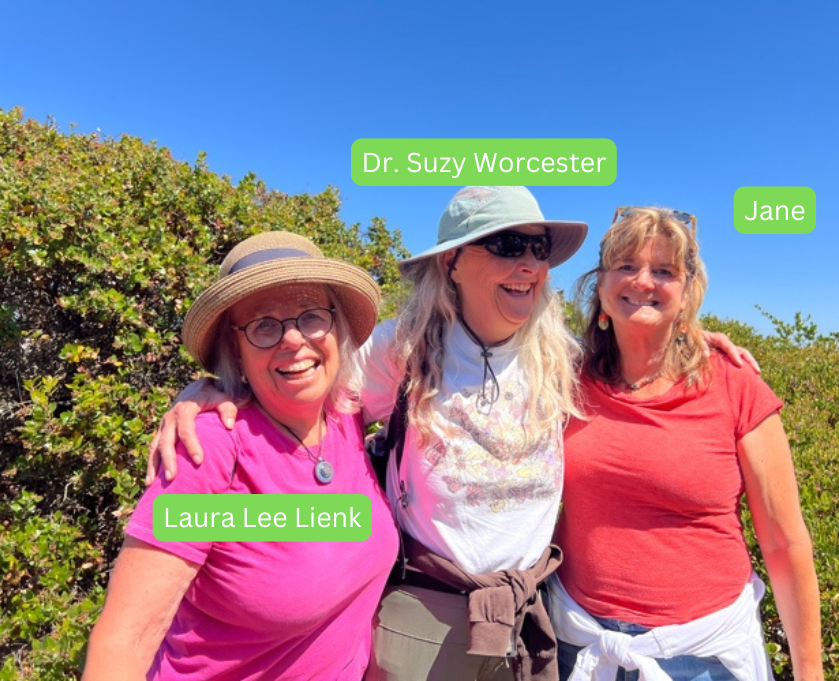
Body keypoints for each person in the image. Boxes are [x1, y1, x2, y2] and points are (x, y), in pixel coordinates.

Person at [149, 188, 756, 681]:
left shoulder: (563, 356)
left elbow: (638, 357)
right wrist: (211, 392)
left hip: (531, 614)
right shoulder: (400, 348)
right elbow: (299, 382)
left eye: (538, 247)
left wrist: (693, 340)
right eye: (506, 244)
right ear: (453, 262)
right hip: (426, 614)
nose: (528, 264)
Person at [83, 232, 398, 680]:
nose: (293, 339)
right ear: (236, 350)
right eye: (263, 325)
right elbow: (124, 641)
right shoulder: (210, 447)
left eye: (311, 316)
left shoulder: (346, 414)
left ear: (336, 328)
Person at [547, 207, 823, 681]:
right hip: (581, 642)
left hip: (703, 656)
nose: (643, 281)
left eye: (664, 271)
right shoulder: (565, 378)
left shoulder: (734, 383)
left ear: (688, 290)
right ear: (601, 287)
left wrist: (810, 672)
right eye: (626, 265)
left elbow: (783, 541)